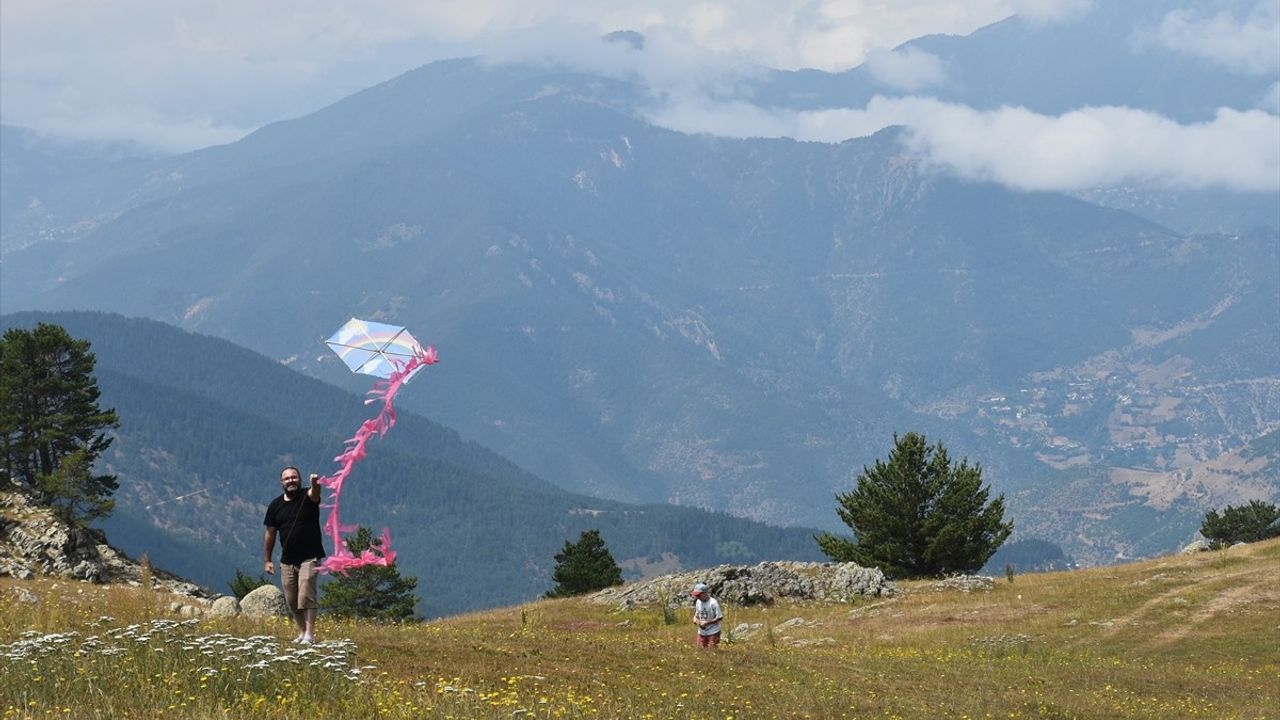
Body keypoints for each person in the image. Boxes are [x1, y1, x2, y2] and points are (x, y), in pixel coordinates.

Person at [263, 466, 326, 644]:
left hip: (310, 557)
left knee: (306, 595)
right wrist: (267, 560)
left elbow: (315, 493)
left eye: (294, 477)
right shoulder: (275, 506)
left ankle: (310, 635)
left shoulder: (308, 496)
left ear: (299, 479)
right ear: (281, 482)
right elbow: (270, 533)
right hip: (287, 560)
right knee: (292, 600)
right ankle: (302, 632)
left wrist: (315, 483)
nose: (291, 480)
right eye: (287, 478)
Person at [691, 582, 723, 648]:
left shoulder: (713, 603)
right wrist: (695, 619)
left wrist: (707, 623)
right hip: (701, 633)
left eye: (699, 595)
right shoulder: (698, 602)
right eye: (696, 595)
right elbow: (697, 614)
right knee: (701, 651)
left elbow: (720, 617)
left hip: (713, 632)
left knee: (712, 651)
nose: (697, 597)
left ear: (705, 593)